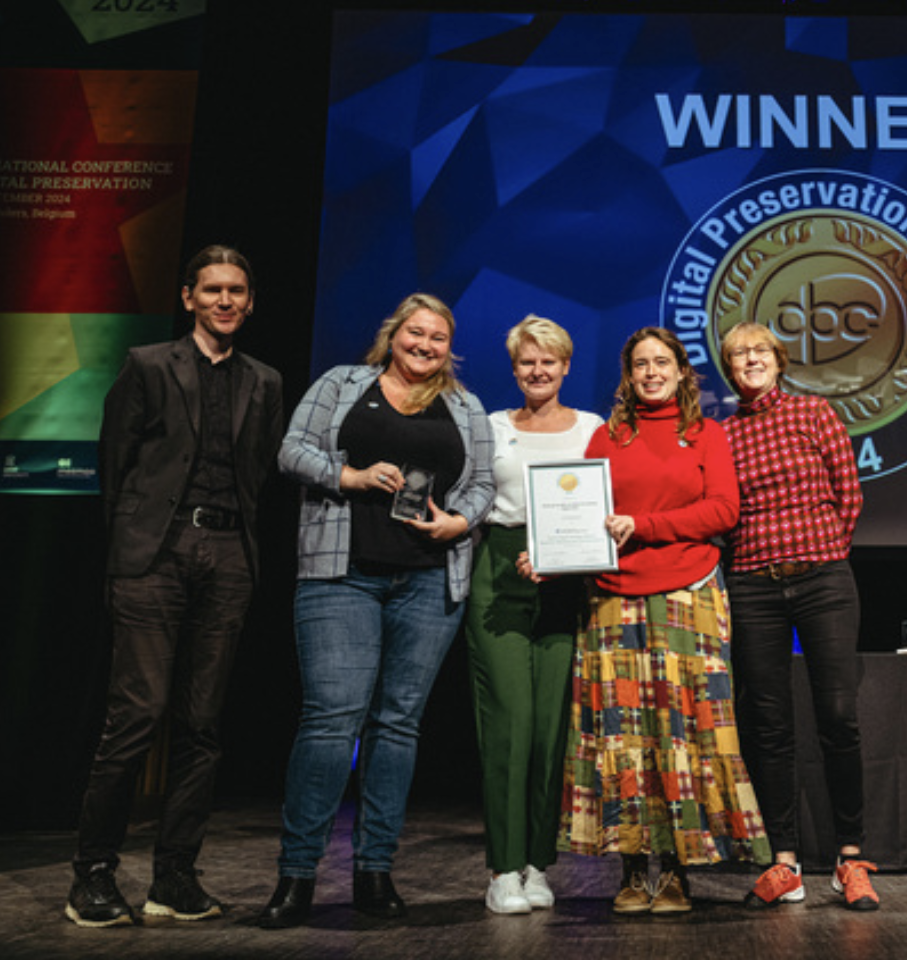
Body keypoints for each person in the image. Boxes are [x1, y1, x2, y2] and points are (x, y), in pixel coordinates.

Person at [260, 293, 494, 928]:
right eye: (415, 333)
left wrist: (459, 521)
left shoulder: (466, 406)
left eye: (438, 338)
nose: (424, 345)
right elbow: (292, 450)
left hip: (427, 584)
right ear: (393, 336)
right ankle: (298, 874)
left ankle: (374, 871)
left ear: (451, 347)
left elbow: (482, 485)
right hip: (343, 577)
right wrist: (351, 477)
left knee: (397, 727)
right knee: (331, 722)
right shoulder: (342, 384)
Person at [66, 245, 284, 927]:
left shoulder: (265, 381)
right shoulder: (147, 365)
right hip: (154, 555)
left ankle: (174, 878)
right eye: (213, 289)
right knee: (137, 716)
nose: (226, 301)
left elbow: (259, 476)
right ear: (189, 296)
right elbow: (117, 463)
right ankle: (94, 874)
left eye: (238, 291)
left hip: (228, 554)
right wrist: (131, 548)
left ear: (249, 302)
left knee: (202, 725)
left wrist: (238, 555)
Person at [551, 327, 770, 915]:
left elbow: (724, 510)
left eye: (662, 362)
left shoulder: (706, 434)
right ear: (629, 375)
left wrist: (643, 526)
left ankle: (675, 872)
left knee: (682, 734)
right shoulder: (607, 436)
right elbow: (579, 515)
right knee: (623, 738)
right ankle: (629, 872)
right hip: (612, 599)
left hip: (688, 593)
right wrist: (548, 556)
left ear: (681, 372)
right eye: (641, 364)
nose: (651, 372)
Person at [716, 321, 879, 911]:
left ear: (779, 360)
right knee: (768, 726)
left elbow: (848, 490)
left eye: (760, 351)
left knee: (838, 715)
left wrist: (822, 550)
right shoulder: (724, 432)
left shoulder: (814, 413)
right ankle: (784, 861)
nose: (750, 360)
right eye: (739, 354)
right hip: (753, 586)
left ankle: (850, 859)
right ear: (729, 368)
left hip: (822, 580)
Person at [465, 315, 602, 915]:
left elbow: (602, 506)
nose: (538, 370)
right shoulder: (492, 427)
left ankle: (536, 864)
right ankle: (501, 869)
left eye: (549, 360)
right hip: (498, 573)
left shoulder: (593, 428)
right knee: (509, 721)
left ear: (566, 366)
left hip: (566, 582)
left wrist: (560, 558)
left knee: (550, 730)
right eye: (527, 361)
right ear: (515, 368)